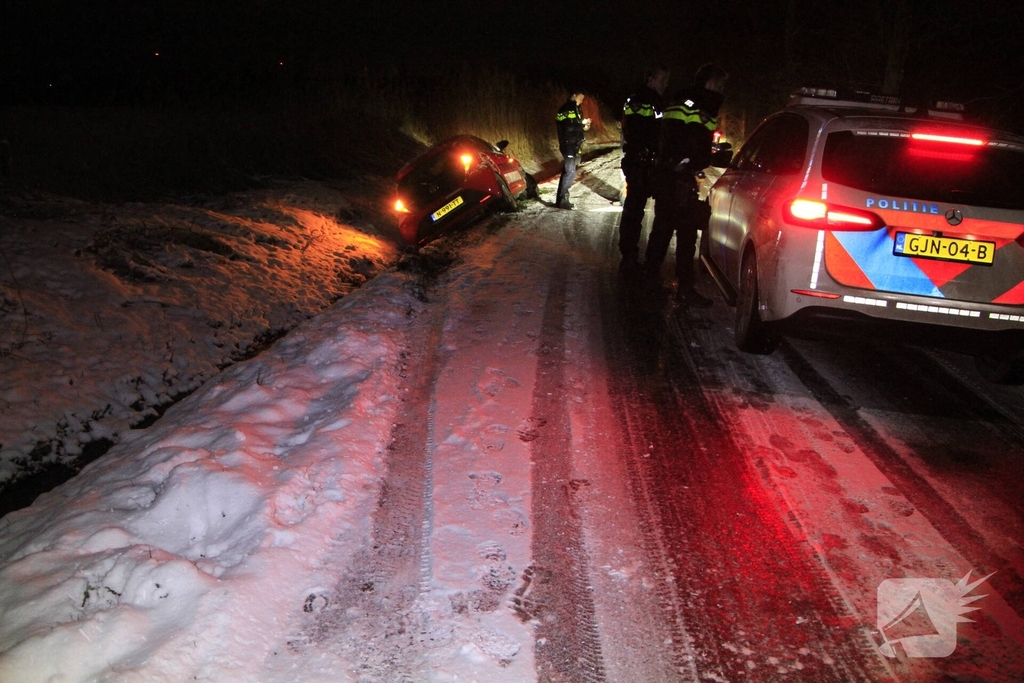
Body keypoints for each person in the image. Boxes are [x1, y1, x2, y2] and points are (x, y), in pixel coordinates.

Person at [643, 63, 728, 306]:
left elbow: (671, 136)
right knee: (686, 233)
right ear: (710, 83)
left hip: (668, 173)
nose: (721, 90)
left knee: (663, 229)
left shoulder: (679, 100)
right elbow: (693, 142)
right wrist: (699, 161)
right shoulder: (702, 105)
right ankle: (683, 288)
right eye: (720, 84)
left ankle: (651, 280)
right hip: (679, 177)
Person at [618, 66, 669, 275]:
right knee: (634, 211)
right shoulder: (639, 100)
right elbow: (637, 131)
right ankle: (629, 257)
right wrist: (648, 152)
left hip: (650, 163)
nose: (666, 84)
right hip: (640, 163)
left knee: (646, 211)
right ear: (651, 80)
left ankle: (643, 260)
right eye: (663, 79)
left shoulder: (657, 101)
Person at [555, 90, 590, 210]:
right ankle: (562, 200)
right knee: (569, 172)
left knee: (569, 171)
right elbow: (568, 127)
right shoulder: (566, 109)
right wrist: (581, 125)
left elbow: (575, 125)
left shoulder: (576, 109)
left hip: (574, 144)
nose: (582, 101)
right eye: (580, 98)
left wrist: (584, 126)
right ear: (574, 95)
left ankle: (561, 199)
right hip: (568, 144)